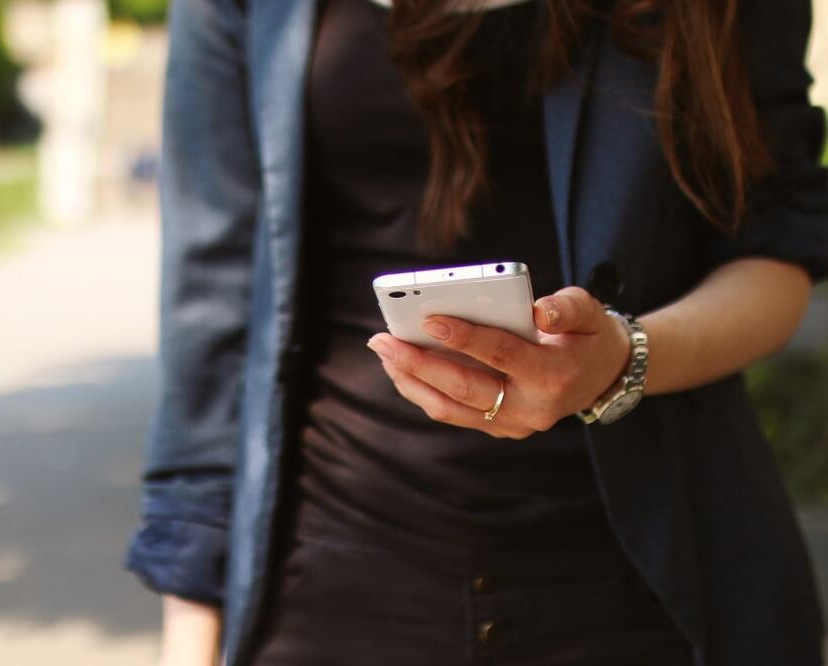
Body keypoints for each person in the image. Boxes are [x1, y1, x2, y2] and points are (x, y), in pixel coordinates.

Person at [125, 0, 828, 664]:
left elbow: (776, 245)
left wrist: (623, 360)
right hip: (328, 581)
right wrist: (190, 636)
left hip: (653, 583)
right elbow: (213, 305)